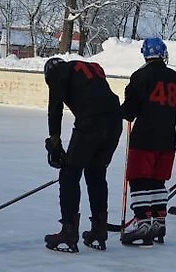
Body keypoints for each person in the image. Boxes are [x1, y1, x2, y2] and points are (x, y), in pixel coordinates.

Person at [43, 57, 122, 253]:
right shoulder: (86, 68)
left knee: (69, 175)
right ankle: (99, 229)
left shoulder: (56, 72)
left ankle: (69, 231)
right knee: (96, 174)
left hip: (91, 121)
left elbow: (55, 109)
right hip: (114, 120)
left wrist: (55, 143)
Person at [120, 38, 176, 246]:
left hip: (145, 136)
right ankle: (158, 222)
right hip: (168, 137)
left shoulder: (140, 75)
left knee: (139, 179)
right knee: (158, 182)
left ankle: (143, 222)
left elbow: (130, 111)